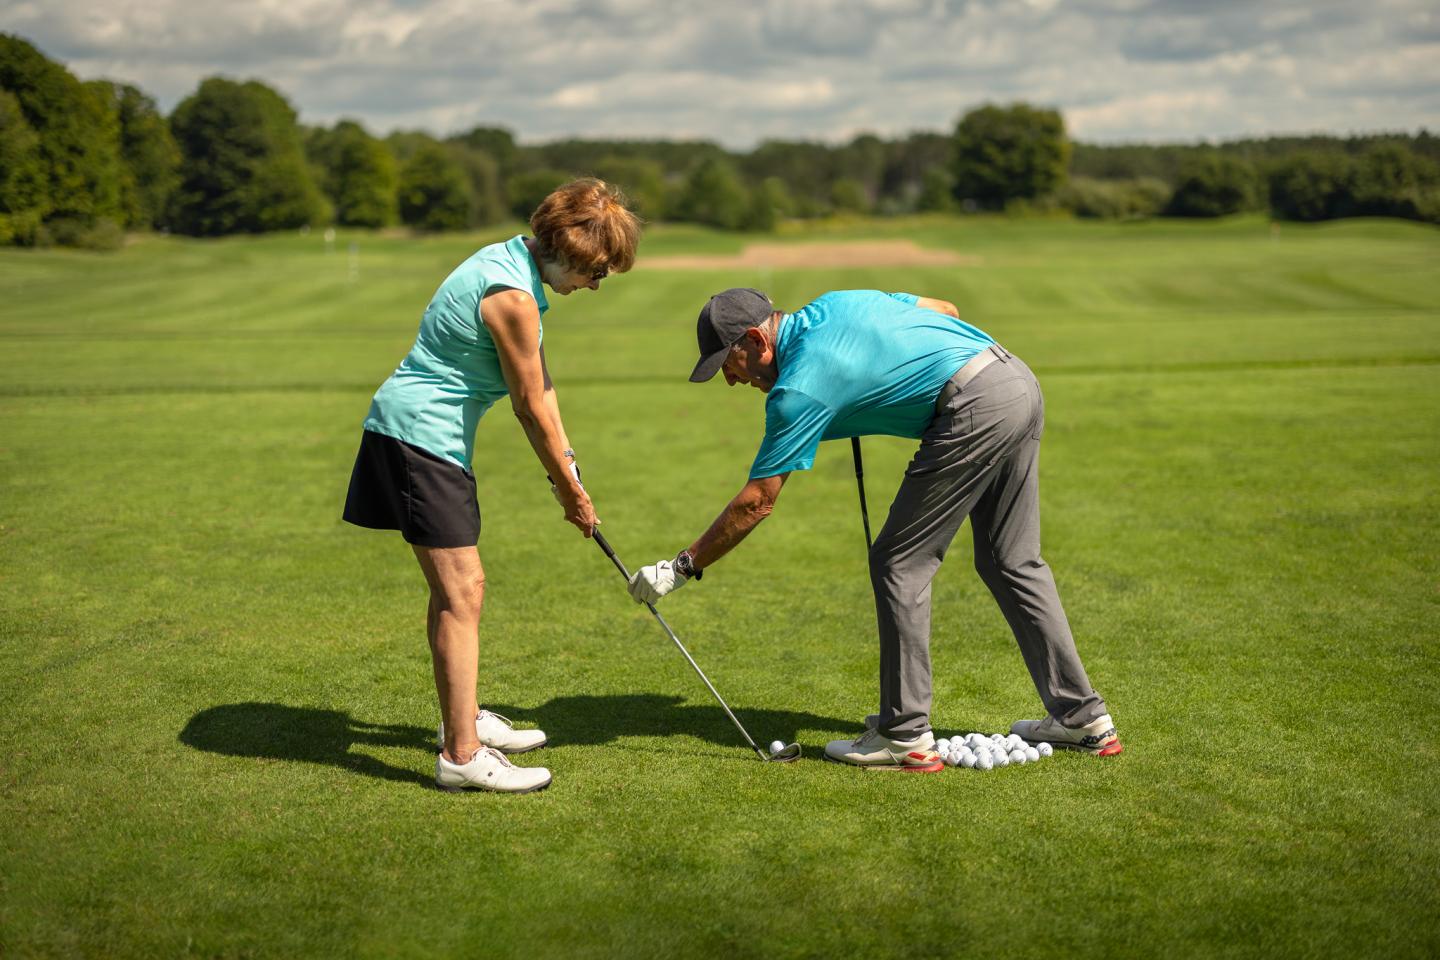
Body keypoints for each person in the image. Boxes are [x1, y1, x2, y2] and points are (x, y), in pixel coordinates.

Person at [626, 288, 1120, 770]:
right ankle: (1083, 719)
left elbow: (756, 503)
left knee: (899, 562)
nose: (731, 381)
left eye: (727, 365)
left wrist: (682, 567)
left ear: (757, 340)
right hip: (1016, 380)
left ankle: (904, 735)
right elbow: (945, 309)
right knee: (1011, 561)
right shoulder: (836, 303)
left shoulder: (795, 391)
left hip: (973, 408)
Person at [343, 179, 640, 793]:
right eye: (596, 273)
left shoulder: (511, 261)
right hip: (418, 438)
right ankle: (461, 754)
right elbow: (528, 407)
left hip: (424, 437)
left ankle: (464, 715)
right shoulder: (511, 297)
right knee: (464, 591)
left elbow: (544, 388)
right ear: (570, 253)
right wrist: (567, 492)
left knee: (453, 591)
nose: (595, 285)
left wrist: (571, 471)